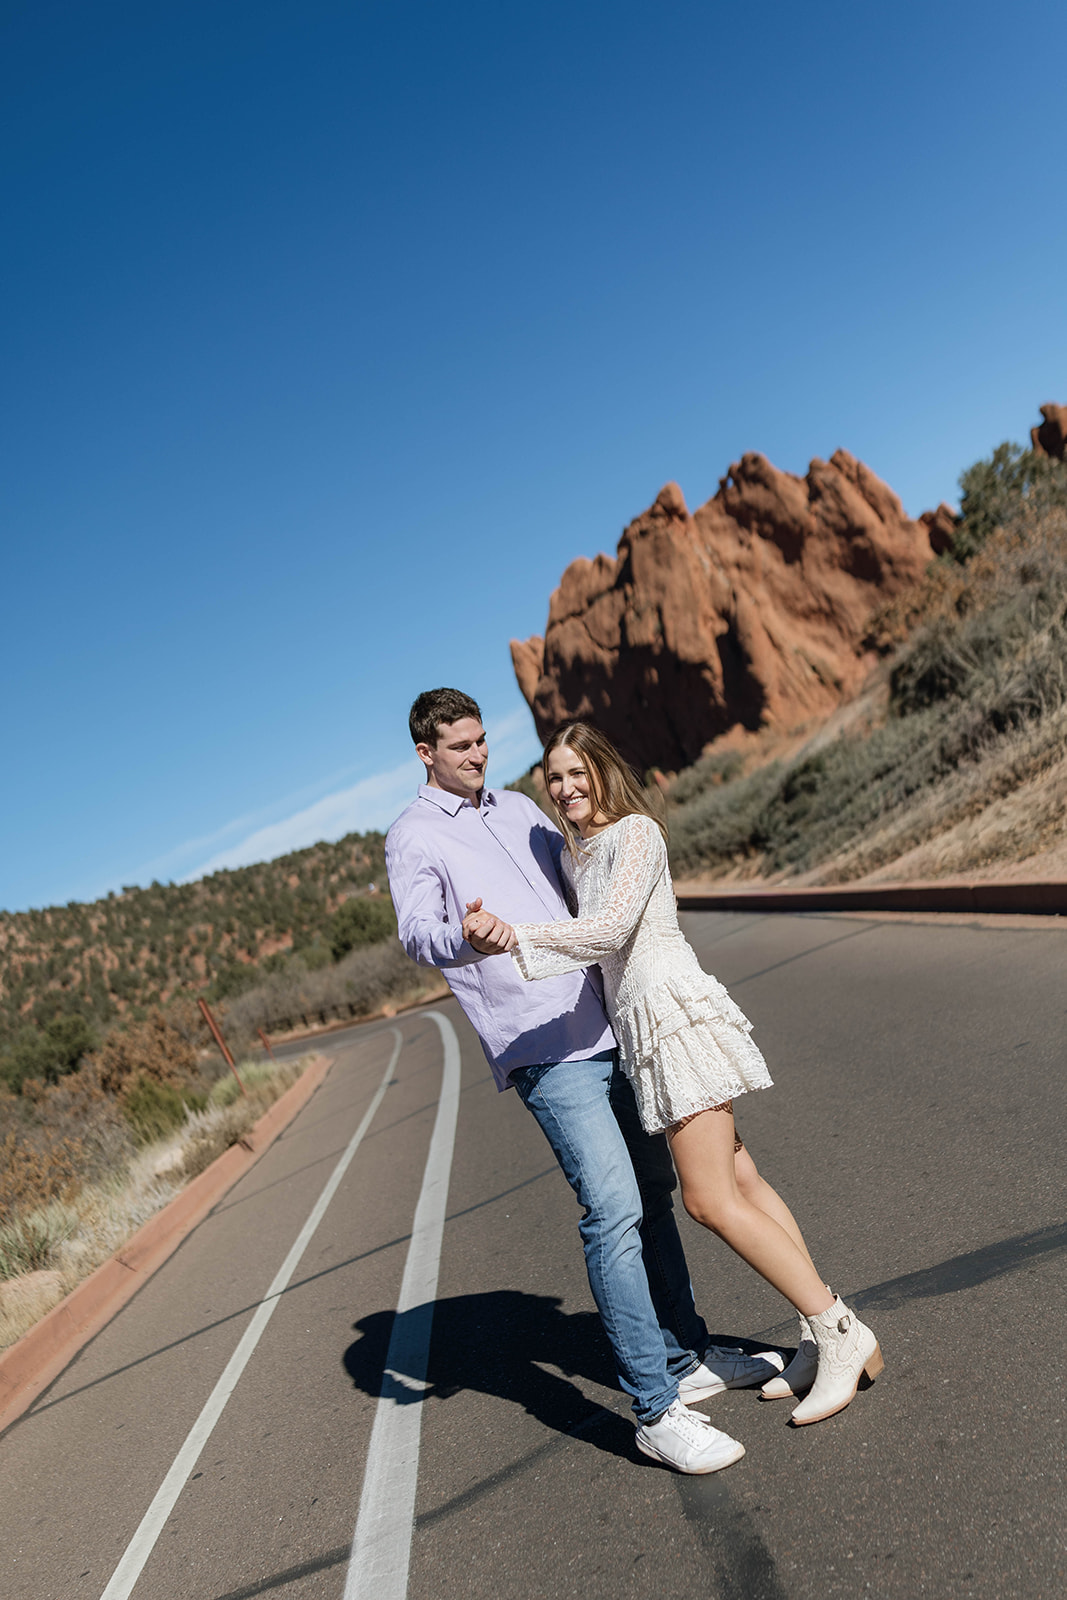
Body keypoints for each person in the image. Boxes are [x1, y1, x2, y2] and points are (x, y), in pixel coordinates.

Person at [385, 688, 778, 1476]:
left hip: (610, 1023)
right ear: (425, 753)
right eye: (458, 747)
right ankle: (654, 1408)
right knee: (613, 1209)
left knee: (655, 1194)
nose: (476, 755)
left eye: (481, 741)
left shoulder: (525, 811)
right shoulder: (412, 835)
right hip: (543, 1048)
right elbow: (416, 933)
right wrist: (467, 936)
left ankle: (684, 1354)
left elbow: (586, 889)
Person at [464, 720, 883, 1428]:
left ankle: (840, 1332)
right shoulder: (578, 855)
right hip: (640, 1031)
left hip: (672, 1014)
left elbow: (608, 932)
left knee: (707, 1200)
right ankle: (817, 1333)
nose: (565, 788)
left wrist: (516, 936)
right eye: (553, 777)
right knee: (743, 1179)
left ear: (601, 771)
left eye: (576, 772)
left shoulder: (634, 834)